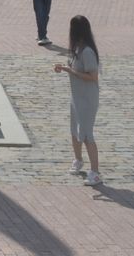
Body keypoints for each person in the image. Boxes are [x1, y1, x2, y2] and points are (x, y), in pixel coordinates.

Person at [54, 15, 101, 186]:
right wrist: (66, 68)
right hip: (77, 97)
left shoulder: (87, 51)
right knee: (74, 130)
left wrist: (71, 72)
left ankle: (95, 172)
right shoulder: (77, 49)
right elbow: (74, 69)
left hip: (87, 99)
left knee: (87, 134)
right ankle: (78, 159)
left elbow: (93, 76)